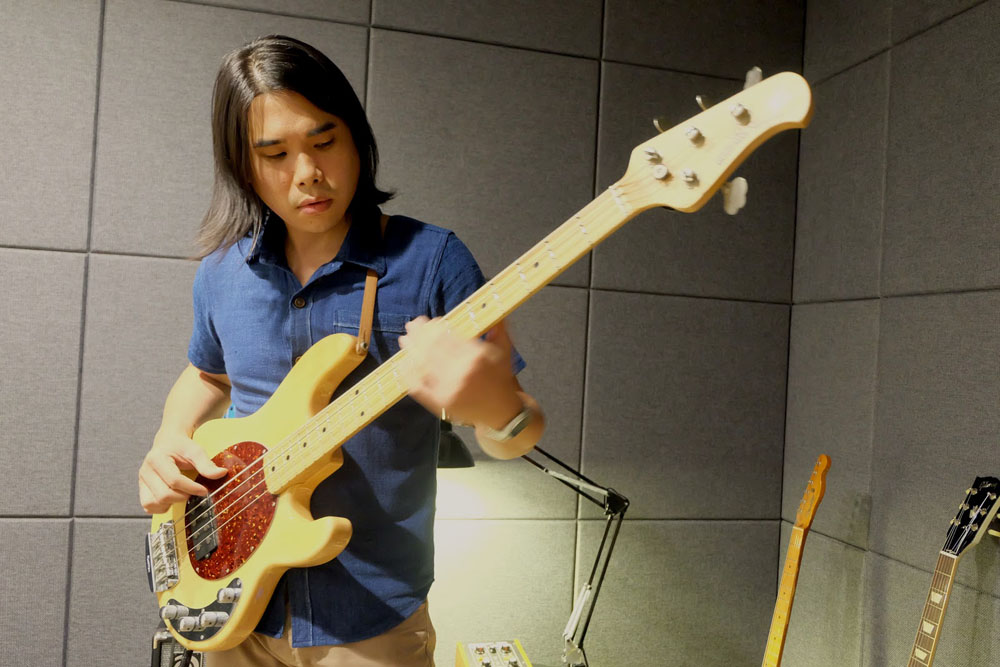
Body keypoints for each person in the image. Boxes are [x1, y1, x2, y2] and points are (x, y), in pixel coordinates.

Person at [137, 34, 545, 667]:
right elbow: (205, 373)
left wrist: (494, 406)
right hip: (230, 602)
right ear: (243, 166)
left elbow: (518, 431)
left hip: (369, 618)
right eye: (274, 154)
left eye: (324, 142)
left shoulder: (432, 260)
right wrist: (169, 436)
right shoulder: (220, 273)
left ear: (356, 137)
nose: (307, 175)